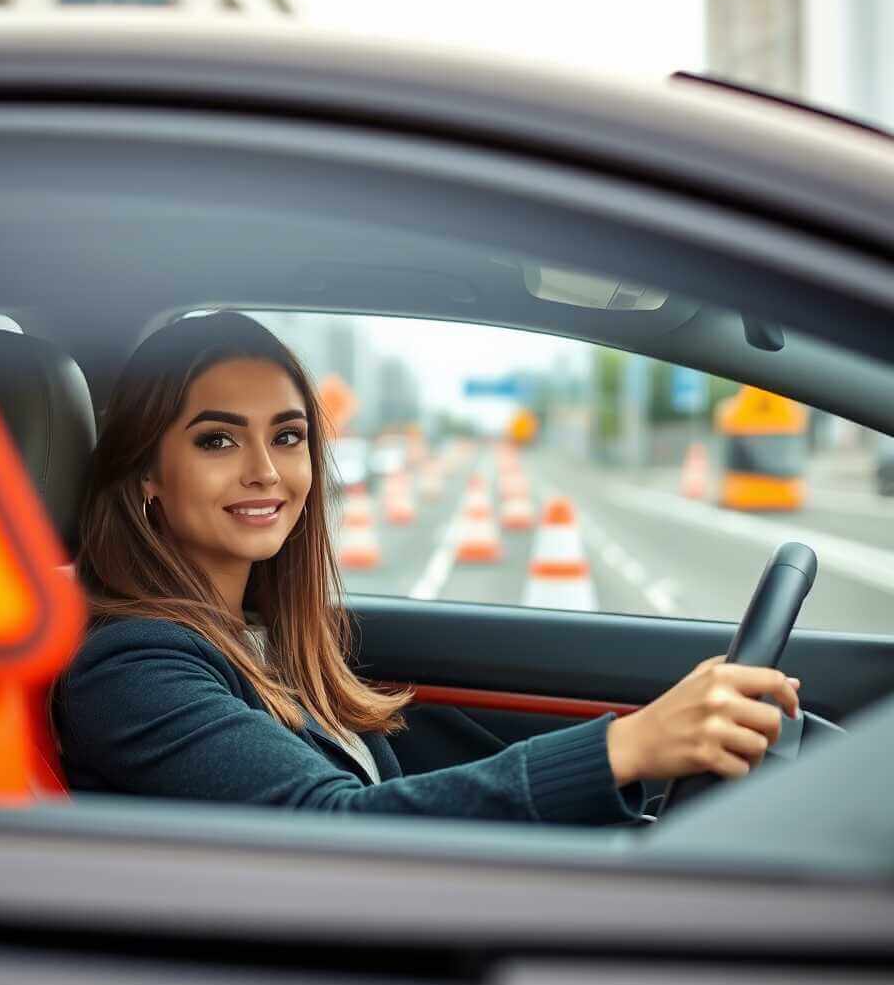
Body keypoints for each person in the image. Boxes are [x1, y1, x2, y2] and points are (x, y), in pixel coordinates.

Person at [54, 311, 800, 823]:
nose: (265, 472)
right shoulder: (130, 666)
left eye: (287, 437)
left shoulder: (268, 637)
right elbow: (330, 830)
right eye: (217, 441)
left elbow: (392, 800)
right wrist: (626, 747)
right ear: (147, 475)